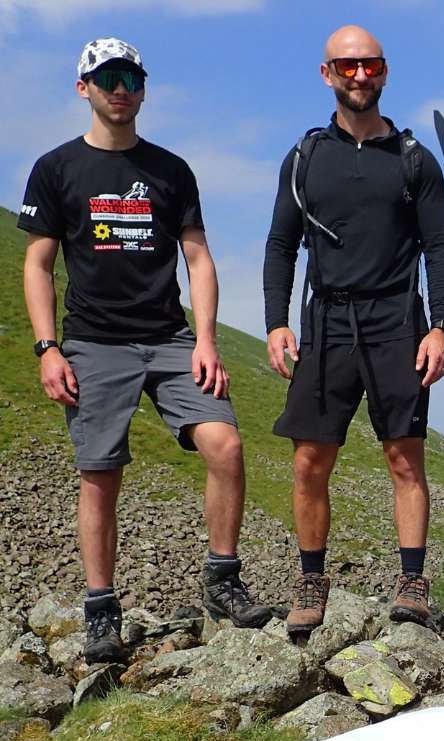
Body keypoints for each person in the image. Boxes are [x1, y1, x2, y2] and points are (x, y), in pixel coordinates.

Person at [18, 38, 271, 664]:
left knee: (226, 445)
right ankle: (102, 610)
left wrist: (206, 340)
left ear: (143, 89)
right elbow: (38, 263)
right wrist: (48, 348)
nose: (120, 89)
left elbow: (198, 258)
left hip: (169, 338)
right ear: (83, 87)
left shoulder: (171, 170)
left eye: (131, 78)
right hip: (93, 342)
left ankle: (222, 582)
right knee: (101, 474)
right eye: (107, 78)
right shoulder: (56, 168)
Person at [264, 24, 444, 634]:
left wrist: (441, 326)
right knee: (309, 460)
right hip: (326, 322)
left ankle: (412, 583)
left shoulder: (413, 159)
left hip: (397, 320)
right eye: (346, 67)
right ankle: (311, 580)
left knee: (405, 457)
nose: (359, 76)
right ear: (327, 74)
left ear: (385, 70)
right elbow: (280, 245)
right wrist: (276, 323)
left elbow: (440, 246)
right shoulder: (305, 158)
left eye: (369, 65)